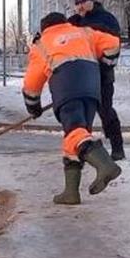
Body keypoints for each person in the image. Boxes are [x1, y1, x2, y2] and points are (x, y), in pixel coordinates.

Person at [23, 12, 122, 205]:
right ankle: (71, 193)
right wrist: (104, 66)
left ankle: (105, 165)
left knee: (75, 131)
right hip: (92, 89)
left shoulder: (42, 44)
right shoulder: (84, 32)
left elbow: (31, 84)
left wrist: (33, 107)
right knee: (76, 135)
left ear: (44, 28)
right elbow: (113, 45)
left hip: (66, 87)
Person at [69, 0, 125, 161]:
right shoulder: (75, 22)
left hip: (102, 74)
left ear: (91, 1)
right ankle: (85, 150)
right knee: (83, 114)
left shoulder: (106, 19)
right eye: (77, 3)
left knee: (105, 110)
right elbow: (59, 33)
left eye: (83, 2)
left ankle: (117, 147)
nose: (80, 7)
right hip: (82, 76)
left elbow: (114, 44)